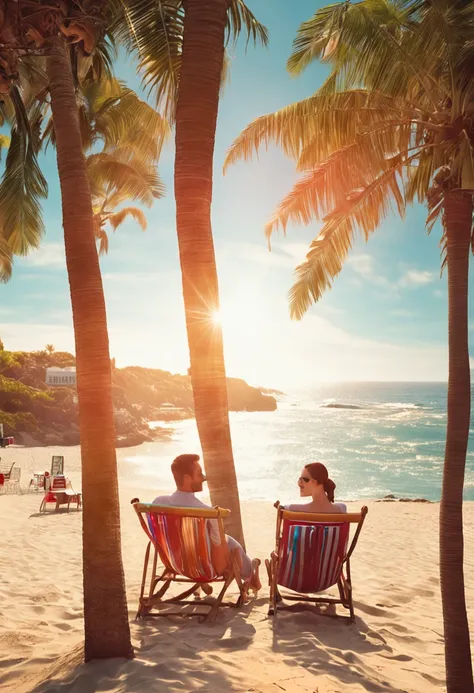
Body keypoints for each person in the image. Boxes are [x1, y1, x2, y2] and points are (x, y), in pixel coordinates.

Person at [153, 453, 261, 593]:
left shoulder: (158, 504)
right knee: (231, 544)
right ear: (187, 479)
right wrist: (225, 565)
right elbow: (219, 558)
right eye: (199, 474)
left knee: (222, 541)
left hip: (174, 562)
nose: (204, 477)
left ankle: (247, 573)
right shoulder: (207, 513)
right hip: (203, 568)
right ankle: (253, 579)